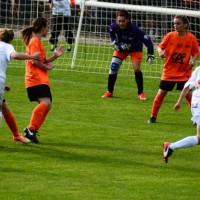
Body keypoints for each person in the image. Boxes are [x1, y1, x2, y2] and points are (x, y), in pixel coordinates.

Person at [148, 15, 199, 123]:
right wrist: (160, 52)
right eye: (174, 23)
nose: (175, 25)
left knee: (189, 96)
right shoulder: (169, 36)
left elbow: (196, 52)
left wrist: (193, 60)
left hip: (184, 72)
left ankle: (196, 119)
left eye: (178, 23)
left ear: (185, 25)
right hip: (169, 72)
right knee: (161, 93)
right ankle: (153, 117)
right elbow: (160, 46)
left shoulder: (191, 38)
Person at [21, 17, 64, 143]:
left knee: (47, 104)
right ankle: (30, 129)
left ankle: (32, 130)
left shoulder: (37, 42)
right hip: (35, 78)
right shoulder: (34, 41)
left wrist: (55, 56)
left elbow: (42, 61)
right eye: (47, 27)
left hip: (39, 79)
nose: (48, 30)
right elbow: (34, 62)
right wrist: (46, 67)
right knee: (45, 103)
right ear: (43, 28)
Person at [102, 9, 155, 100]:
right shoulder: (114, 27)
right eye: (119, 21)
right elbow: (111, 32)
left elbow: (148, 40)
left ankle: (140, 93)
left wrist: (150, 54)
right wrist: (115, 42)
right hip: (121, 49)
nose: (121, 23)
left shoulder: (134, 29)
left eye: (123, 21)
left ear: (127, 20)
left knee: (137, 69)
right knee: (113, 67)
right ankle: (109, 91)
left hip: (135, 49)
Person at [0, 28, 40, 141]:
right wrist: (32, 56)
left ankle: (16, 135)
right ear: (11, 40)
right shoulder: (7, 47)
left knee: (5, 109)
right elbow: (15, 55)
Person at [163, 65, 200, 163]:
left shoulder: (198, 69)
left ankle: (170, 146)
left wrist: (179, 101)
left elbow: (187, 86)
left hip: (196, 102)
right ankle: (170, 146)